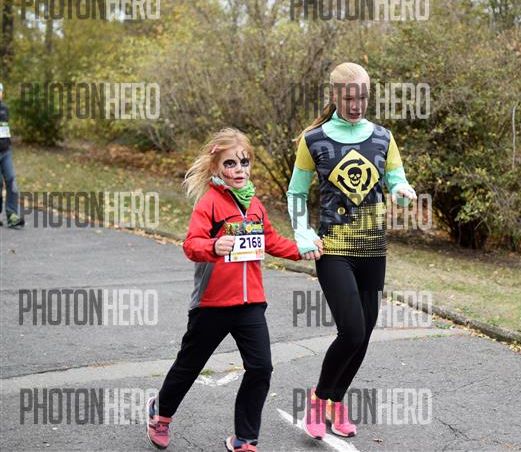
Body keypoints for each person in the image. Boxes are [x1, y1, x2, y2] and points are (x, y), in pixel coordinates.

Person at [145, 128, 320, 452]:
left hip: (250, 303)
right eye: (230, 163)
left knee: (261, 367)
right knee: (189, 365)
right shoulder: (209, 204)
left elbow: (270, 240)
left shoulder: (255, 205)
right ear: (216, 167)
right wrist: (214, 245)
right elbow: (191, 245)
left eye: (244, 162)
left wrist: (302, 250)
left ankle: (244, 439)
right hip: (212, 303)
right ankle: (161, 413)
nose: (239, 169)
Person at [287, 62, 417, 439]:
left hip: (374, 249)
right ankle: (318, 400)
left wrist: (402, 192)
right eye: (349, 97)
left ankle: (336, 401)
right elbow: (296, 193)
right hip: (334, 249)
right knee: (352, 330)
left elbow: (396, 180)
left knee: (365, 333)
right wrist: (303, 233)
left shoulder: (383, 137)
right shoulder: (313, 140)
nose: (357, 104)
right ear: (334, 95)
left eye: (363, 96)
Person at [0, 82, 24, 228]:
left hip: (5, 151)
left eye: (0, 91)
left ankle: (12, 215)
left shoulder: (5, 108)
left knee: (11, 181)